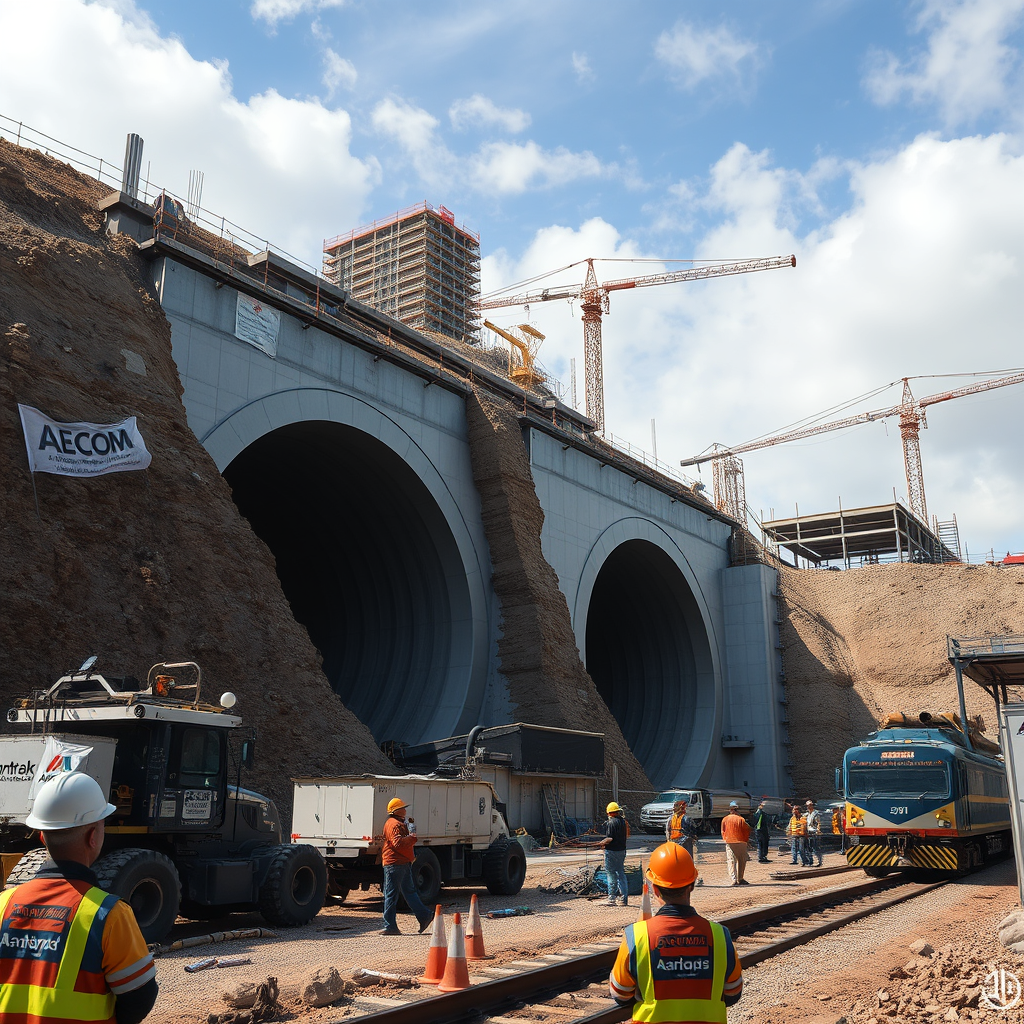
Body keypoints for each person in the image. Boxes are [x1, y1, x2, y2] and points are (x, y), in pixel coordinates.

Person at [0, 772, 158, 1024]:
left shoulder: (3, 905)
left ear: (42, 836)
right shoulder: (109, 915)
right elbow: (140, 996)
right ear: (92, 837)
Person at [609, 843, 743, 1020]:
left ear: (654, 888)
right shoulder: (720, 935)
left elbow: (620, 994)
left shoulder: (636, 936)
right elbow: (733, 993)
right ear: (692, 885)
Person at [380, 796, 432, 935]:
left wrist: (410, 832)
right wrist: (412, 837)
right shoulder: (394, 824)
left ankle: (422, 916)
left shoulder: (397, 823)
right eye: (402, 808)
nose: (405, 810)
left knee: (403, 893)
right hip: (396, 862)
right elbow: (398, 843)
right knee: (396, 894)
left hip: (398, 863)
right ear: (396, 811)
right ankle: (422, 916)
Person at [598, 801, 630, 907]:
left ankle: (611, 898)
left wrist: (601, 843)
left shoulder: (611, 822)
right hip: (622, 850)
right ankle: (624, 899)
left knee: (611, 873)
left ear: (610, 813)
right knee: (621, 873)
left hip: (611, 851)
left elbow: (610, 838)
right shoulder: (623, 822)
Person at [720, 801, 751, 886]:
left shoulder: (725, 819)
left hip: (730, 841)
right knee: (741, 860)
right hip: (741, 841)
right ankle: (740, 879)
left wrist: (725, 839)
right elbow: (747, 830)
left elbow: (723, 831)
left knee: (731, 861)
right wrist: (746, 841)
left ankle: (734, 879)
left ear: (731, 810)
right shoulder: (741, 819)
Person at [752, 799, 772, 864]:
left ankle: (763, 856)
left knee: (764, 843)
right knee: (761, 843)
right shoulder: (759, 813)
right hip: (760, 830)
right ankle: (761, 857)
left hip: (763, 829)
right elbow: (757, 821)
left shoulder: (763, 813)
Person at [805, 800, 823, 867]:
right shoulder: (807, 814)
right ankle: (810, 861)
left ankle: (819, 861)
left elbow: (818, 823)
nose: (808, 807)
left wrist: (818, 831)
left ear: (812, 805)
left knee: (816, 848)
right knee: (808, 848)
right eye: (807, 806)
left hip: (814, 832)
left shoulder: (815, 813)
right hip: (808, 832)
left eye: (809, 805)